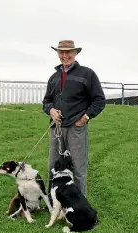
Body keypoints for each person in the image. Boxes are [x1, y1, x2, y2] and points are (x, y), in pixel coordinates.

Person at [42, 40, 106, 197]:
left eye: (68, 52)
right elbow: (46, 102)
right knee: (53, 165)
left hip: (76, 128)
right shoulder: (54, 77)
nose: (64, 55)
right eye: (61, 52)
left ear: (75, 53)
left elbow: (99, 100)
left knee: (78, 167)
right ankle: (53, 202)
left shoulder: (87, 74)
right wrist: (51, 110)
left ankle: (79, 204)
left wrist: (85, 118)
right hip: (56, 128)